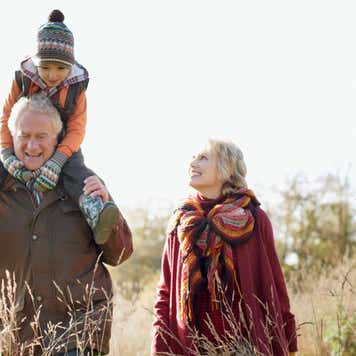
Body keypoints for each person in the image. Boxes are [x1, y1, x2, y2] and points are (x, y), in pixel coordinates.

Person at [0, 94, 133, 355]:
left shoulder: (84, 184)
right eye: (24, 135)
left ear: (58, 140)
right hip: (18, 336)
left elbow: (120, 254)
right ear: (11, 137)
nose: (32, 146)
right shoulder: (3, 193)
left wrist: (107, 210)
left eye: (41, 137)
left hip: (78, 331)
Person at [151, 139, 298, 356]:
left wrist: (288, 342)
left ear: (226, 168)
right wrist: (159, 348)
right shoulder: (182, 222)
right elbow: (165, 293)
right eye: (193, 157)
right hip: (190, 346)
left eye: (203, 157)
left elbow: (275, 286)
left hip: (246, 346)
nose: (193, 163)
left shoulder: (254, 219)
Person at [0, 9, 118, 245]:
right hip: (23, 139)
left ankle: (95, 212)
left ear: (71, 66)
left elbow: (77, 128)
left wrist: (59, 159)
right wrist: (5, 151)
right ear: (36, 64)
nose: (53, 75)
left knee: (78, 176)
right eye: (46, 68)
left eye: (60, 69)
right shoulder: (23, 79)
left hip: (64, 144)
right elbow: (6, 117)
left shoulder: (76, 88)